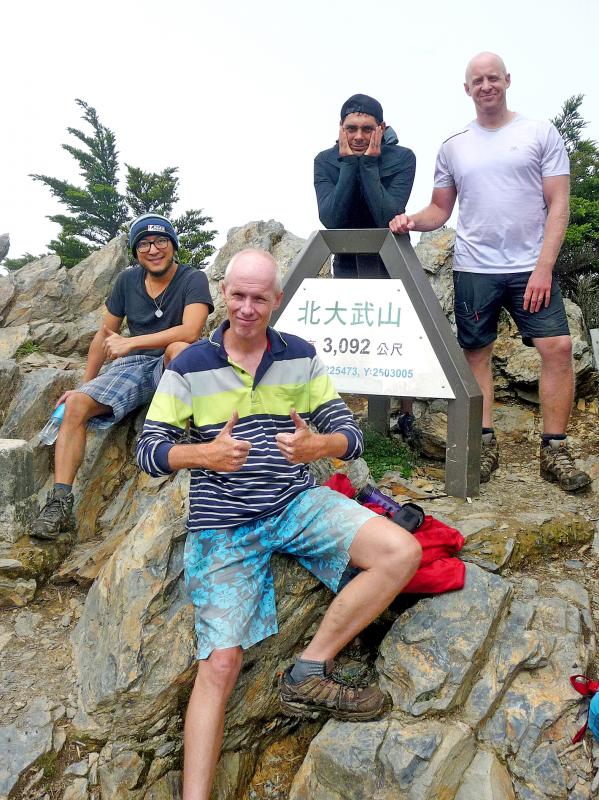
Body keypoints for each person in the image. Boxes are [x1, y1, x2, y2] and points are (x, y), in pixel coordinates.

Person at [136, 248, 422, 799]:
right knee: (221, 663)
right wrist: (203, 455)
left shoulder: (300, 355)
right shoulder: (190, 364)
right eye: (238, 296)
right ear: (224, 294)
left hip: (294, 503)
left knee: (401, 551)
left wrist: (320, 445)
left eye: (259, 298)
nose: (247, 308)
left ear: (277, 300)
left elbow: (349, 433)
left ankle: (309, 669)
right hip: (223, 524)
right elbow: (149, 451)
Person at [390, 52, 591, 492]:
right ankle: (484, 445)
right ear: (467, 89)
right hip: (474, 267)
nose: (486, 86)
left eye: (493, 78)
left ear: (507, 80)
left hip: (530, 267)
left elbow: (559, 202)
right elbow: (440, 209)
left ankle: (554, 450)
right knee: (476, 354)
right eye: (477, 80)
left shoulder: (540, 133)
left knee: (557, 348)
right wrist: (411, 221)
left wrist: (544, 268)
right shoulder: (454, 146)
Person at [31, 213, 214, 539]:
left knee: (180, 349)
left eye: (161, 240)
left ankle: (194, 436)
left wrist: (131, 342)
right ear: (135, 251)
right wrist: (85, 385)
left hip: (172, 363)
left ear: (173, 244)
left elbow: (191, 330)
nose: (153, 249)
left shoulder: (193, 278)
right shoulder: (127, 281)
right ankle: (59, 504)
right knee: (76, 405)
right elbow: (103, 336)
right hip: (133, 365)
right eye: (144, 243)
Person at [314, 93, 417, 438]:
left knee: (395, 336)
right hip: (347, 260)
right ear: (340, 128)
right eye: (352, 128)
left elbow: (387, 213)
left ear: (381, 128)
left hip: (391, 262)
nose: (359, 136)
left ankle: (405, 415)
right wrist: (348, 164)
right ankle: (343, 416)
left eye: (367, 129)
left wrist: (369, 165)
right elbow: (332, 218)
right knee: (351, 334)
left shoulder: (402, 159)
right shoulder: (325, 161)